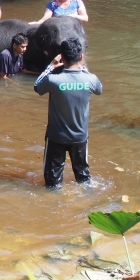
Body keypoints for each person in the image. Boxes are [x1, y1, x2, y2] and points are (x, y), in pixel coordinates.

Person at [34, 38, 102, 188]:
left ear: (62, 57)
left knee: (52, 183)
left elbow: (37, 86)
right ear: (81, 57)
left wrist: (50, 66)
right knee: (84, 179)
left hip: (56, 137)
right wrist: (84, 68)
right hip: (80, 137)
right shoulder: (90, 79)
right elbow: (99, 90)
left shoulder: (53, 80)